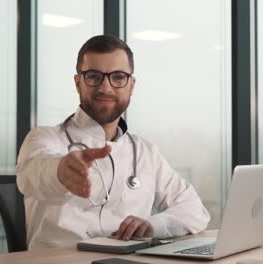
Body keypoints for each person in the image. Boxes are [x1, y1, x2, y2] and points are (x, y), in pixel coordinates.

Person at [16, 35, 210, 249]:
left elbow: (194, 209)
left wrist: (153, 225)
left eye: (118, 77)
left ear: (131, 85)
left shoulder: (144, 151)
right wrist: (61, 171)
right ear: (78, 82)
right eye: (94, 76)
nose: (106, 87)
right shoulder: (44, 139)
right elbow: (33, 175)